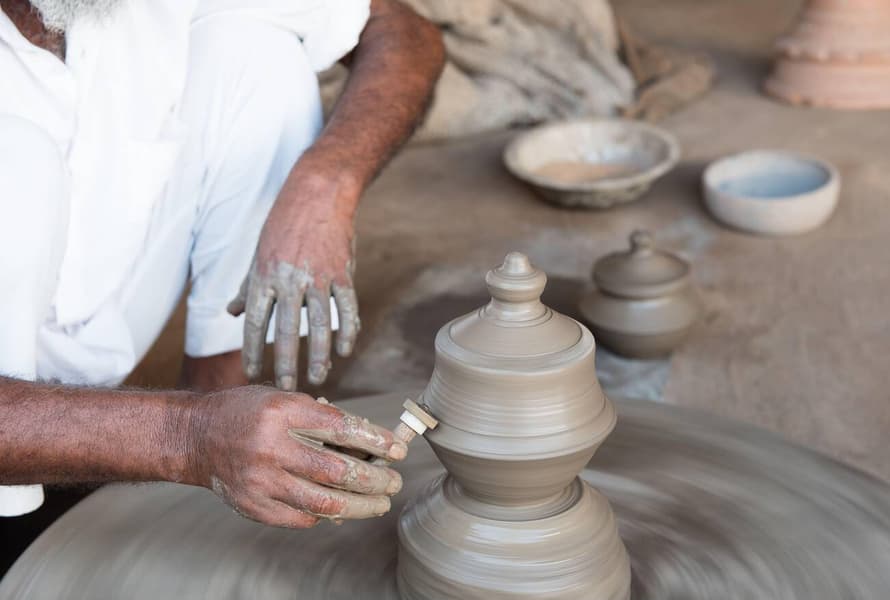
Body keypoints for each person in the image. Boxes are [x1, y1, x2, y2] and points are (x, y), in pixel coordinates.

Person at [0, 0, 444, 527]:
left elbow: (402, 32)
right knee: (15, 159)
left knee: (257, 57)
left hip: (95, 306)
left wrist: (325, 183)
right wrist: (187, 437)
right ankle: (28, 527)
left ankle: (231, 436)